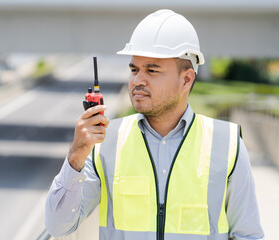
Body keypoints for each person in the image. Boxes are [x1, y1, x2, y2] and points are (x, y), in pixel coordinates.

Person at [45, 9, 264, 240]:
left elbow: (248, 235)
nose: (138, 80)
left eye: (152, 70)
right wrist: (77, 155)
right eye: (134, 69)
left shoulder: (227, 145)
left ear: (186, 79)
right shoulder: (105, 143)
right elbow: (58, 227)